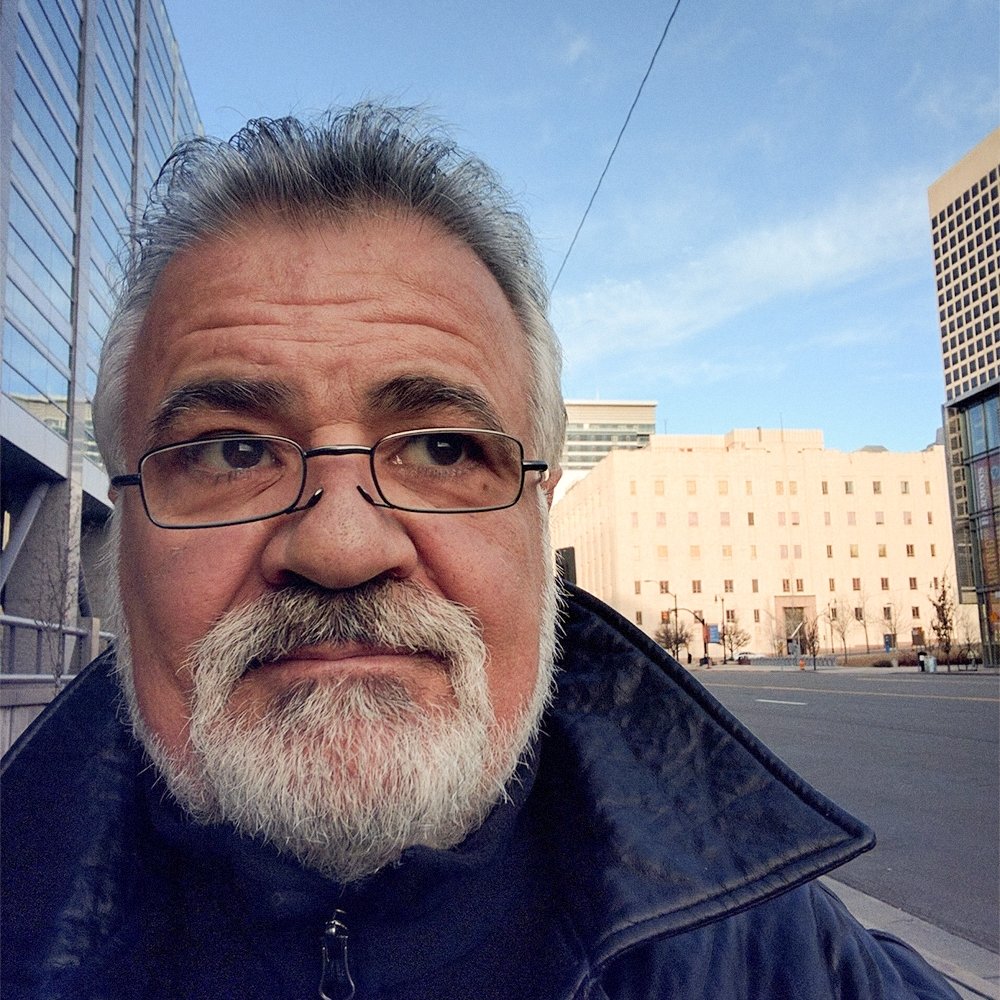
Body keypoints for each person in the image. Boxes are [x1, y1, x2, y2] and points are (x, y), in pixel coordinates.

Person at [1, 104, 959, 1000]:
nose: (340, 545)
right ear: (118, 535)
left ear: (540, 522)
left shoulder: (776, 959)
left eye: (443, 450)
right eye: (233, 452)